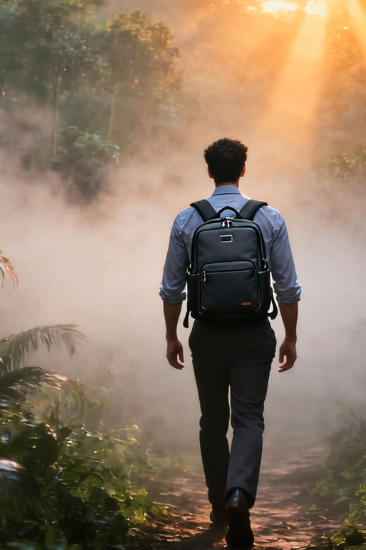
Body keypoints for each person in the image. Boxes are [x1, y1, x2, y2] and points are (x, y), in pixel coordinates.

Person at [159, 138, 301, 548]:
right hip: (255, 333)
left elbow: (171, 289)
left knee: (212, 421)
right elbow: (287, 286)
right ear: (243, 170)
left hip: (207, 336)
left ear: (209, 171)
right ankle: (239, 495)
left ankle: (219, 509)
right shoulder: (268, 217)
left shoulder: (188, 219)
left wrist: (171, 336)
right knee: (249, 419)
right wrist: (290, 336)